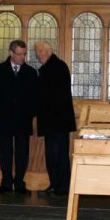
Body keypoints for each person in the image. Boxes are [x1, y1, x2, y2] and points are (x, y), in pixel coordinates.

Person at [0, 40, 38, 194]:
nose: (23, 57)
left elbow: (36, 97)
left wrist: (30, 113)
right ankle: (6, 182)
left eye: (24, 54)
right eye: (19, 54)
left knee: (22, 152)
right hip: (4, 119)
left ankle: (20, 183)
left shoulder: (30, 72)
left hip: (23, 119)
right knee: (5, 151)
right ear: (11, 53)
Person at [35, 40, 76, 196]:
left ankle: (61, 186)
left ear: (47, 50)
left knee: (57, 154)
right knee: (54, 154)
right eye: (37, 52)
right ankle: (57, 184)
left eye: (39, 51)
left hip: (57, 121)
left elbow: (49, 94)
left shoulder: (56, 67)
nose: (38, 55)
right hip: (55, 121)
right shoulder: (52, 67)